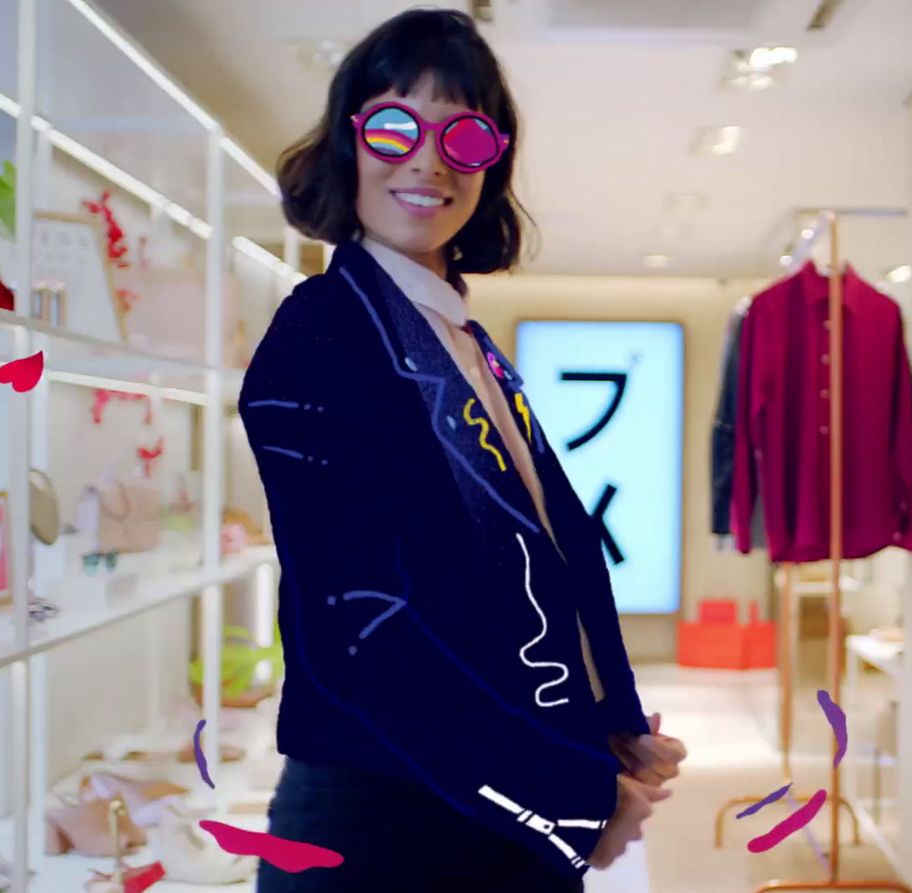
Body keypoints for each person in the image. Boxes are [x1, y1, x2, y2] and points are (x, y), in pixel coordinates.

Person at [241, 9, 687, 892]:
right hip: (385, 821)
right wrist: (561, 796)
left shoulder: (463, 339)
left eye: (466, 135)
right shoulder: (325, 331)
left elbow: (537, 559)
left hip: (487, 801)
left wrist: (604, 721)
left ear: (496, 160)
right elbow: (360, 629)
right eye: (396, 125)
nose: (429, 159)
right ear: (348, 142)